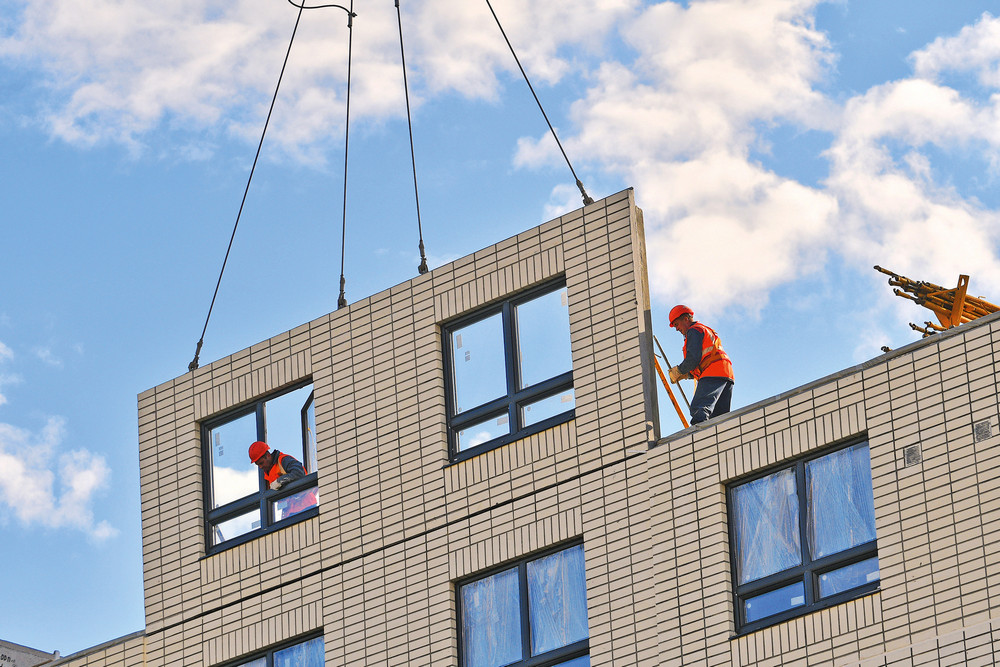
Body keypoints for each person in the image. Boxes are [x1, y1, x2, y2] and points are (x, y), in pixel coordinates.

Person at [666, 305, 734, 425]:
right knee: (718, 417)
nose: (676, 329)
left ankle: (699, 437)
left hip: (714, 371)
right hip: (725, 373)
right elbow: (703, 359)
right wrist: (688, 375)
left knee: (699, 409)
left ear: (686, 319)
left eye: (676, 324)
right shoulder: (703, 329)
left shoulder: (694, 330)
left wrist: (679, 370)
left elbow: (693, 359)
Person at [248, 441, 317, 517]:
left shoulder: (283, 460)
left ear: (267, 455)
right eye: (258, 465)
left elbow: (299, 473)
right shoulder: (266, 475)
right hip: (288, 512)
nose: (260, 467)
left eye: (261, 463)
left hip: (306, 506)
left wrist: (279, 481)